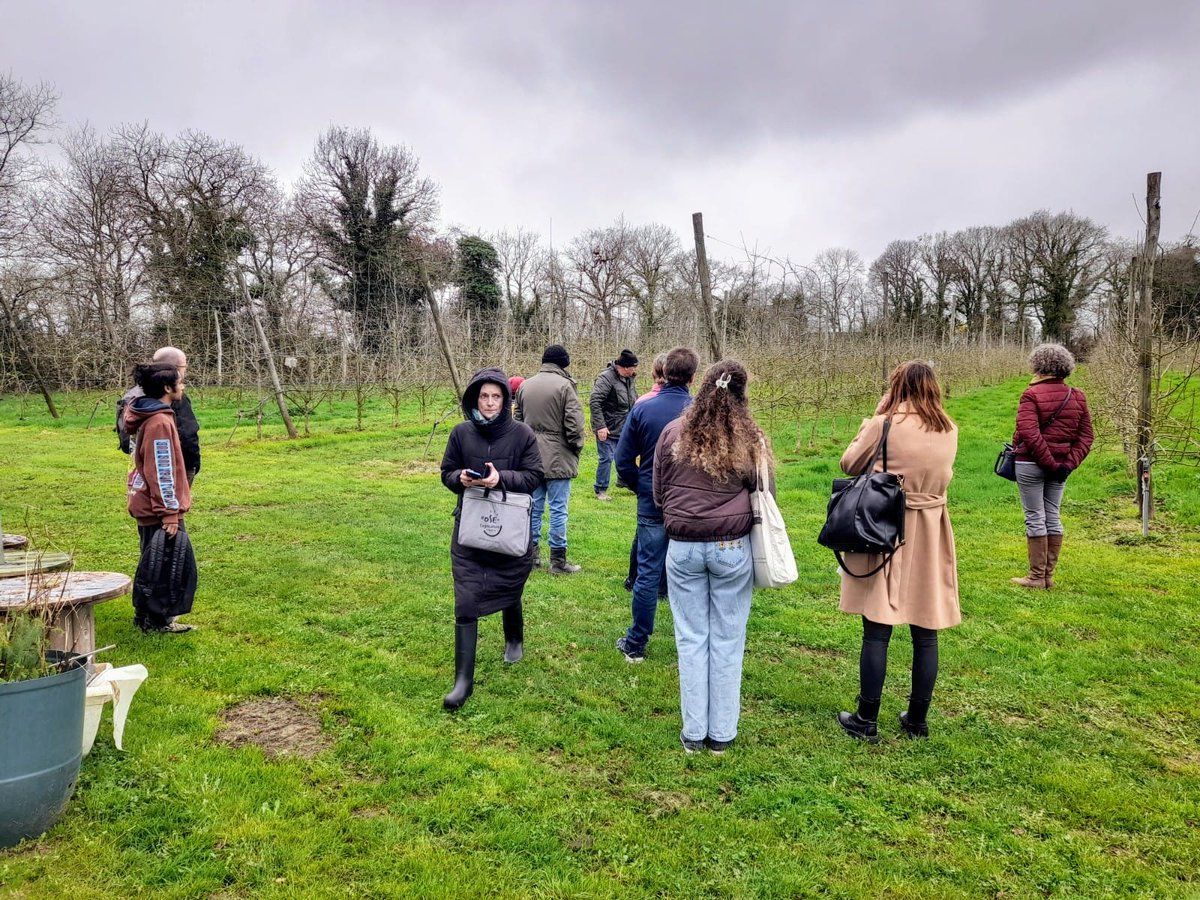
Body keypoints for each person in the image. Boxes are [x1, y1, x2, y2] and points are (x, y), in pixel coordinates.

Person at [835, 361, 959, 742]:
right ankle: (917, 719)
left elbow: (849, 462)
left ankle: (866, 717)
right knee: (926, 630)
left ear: (896, 387)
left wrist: (874, 418)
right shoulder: (949, 429)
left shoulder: (885, 424)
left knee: (876, 628)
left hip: (888, 526)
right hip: (932, 529)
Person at [653, 360, 767, 753]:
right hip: (731, 548)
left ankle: (694, 732)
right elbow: (763, 494)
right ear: (741, 393)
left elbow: (658, 492)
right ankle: (721, 734)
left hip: (683, 547)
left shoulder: (673, 432)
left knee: (690, 639)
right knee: (727, 640)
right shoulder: (749, 437)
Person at [440, 368, 544, 709]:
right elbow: (446, 473)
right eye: (483, 396)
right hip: (470, 530)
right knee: (466, 599)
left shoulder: (523, 435)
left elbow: (533, 477)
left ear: (505, 400)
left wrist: (501, 479)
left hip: (510, 530)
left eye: (495, 396)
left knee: (507, 589)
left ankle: (514, 636)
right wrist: (461, 479)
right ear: (474, 399)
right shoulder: (460, 434)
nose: (489, 402)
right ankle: (463, 682)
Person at [614, 347, 698, 663]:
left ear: (662, 373)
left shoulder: (644, 409)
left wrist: (643, 487)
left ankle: (636, 643)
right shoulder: (700, 413)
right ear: (692, 377)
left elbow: (622, 461)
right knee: (690, 575)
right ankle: (692, 644)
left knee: (648, 572)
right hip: (689, 503)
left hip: (652, 499)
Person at [1010, 343, 1094, 589]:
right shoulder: (1077, 396)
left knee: (1035, 515)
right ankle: (1047, 576)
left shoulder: (1031, 395)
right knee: (1053, 514)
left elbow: (1029, 432)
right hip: (1060, 466)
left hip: (1031, 464)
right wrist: (1067, 464)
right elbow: (1086, 436)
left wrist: (1047, 463)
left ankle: (1036, 577)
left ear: (1038, 365)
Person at [124, 362, 197, 634]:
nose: (183, 385)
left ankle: (145, 616)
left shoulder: (151, 415)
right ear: (168, 388)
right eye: (180, 381)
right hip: (158, 509)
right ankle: (156, 622)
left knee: (152, 560)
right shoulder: (159, 422)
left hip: (148, 505)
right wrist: (169, 512)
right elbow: (162, 470)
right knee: (165, 564)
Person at [515, 345, 586, 575]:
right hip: (558, 455)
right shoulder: (566, 386)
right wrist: (576, 446)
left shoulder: (525, 385)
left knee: (533, 508)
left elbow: (518, 420)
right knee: (558, 509)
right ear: (563, 363)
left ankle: (531, 557)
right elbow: (574, 424)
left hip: (531, 456)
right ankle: (558, 561)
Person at [118, 346, 201, 486]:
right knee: (169, 505)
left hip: (139, 465)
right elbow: (186, 435)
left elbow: (125, 438)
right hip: (170, 468)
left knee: (144, 501)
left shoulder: (132, 396)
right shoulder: (170, 397)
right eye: (184, 366)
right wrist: (193, 464)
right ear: (174, 369)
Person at [589, 349, 639, 500]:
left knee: (625, 456)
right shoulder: (606, 378)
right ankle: (601, 489)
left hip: (624, 425)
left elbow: (631, 399)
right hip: (607, 426)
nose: (635, 370)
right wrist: (600, 426)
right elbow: (595, 401)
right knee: (606, 458)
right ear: (624, 367)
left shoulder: (629, 378)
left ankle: (624, 481)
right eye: (633, 367)